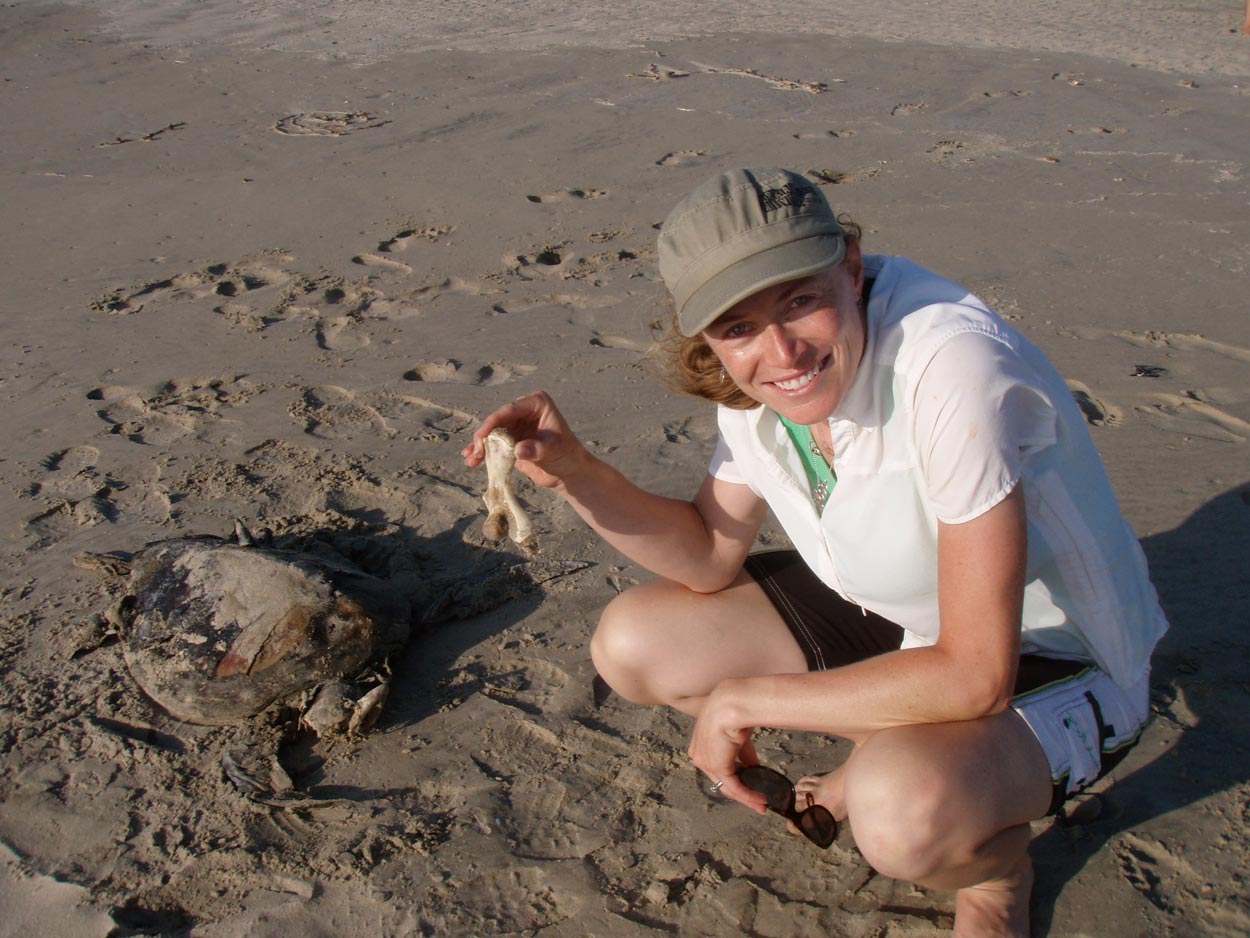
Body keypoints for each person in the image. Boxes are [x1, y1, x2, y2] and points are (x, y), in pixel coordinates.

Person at [463, 167, 1167, 937]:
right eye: (737, 326)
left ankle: (995, 876)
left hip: (1058, 655)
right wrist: (576, 473)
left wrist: (747, 699)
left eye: (800, 299)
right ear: (705, 334)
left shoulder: (953, 371)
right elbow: (705, 554)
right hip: (903, 609)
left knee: (901, 815)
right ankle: (887, 752)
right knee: (635, 643)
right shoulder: (759, 384)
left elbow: (976, 675)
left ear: (852, 266)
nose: (782, 352)